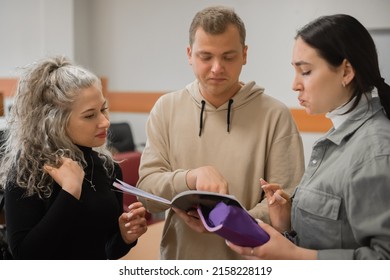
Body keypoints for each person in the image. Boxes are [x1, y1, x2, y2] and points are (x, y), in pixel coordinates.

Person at [137, 6, 305, 260]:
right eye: (206, 57)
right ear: (189, 54)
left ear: (244, 55)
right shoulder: (166, 108)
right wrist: (190, 178)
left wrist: (227, 223)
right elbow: (149, 195)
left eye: (228, 57)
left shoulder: (275, 115)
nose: (217, 68)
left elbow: (287, 203)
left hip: (251, 263)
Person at [227, 14, 390, 260]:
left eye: (305, 71)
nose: (295, 85)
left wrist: (294, 257)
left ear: (346, 72)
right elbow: (330, 238)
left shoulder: (375, 151)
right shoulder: (339, 135)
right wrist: (287, 223)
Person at [0, 56, 148, 259]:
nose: (105, 122)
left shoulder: (107, 168)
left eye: (103, 109)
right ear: (55, 122)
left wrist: (124, 236)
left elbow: (106, 252)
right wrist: (70, 192)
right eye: (89, 115)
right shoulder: (26, 173)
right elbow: (26, 257)